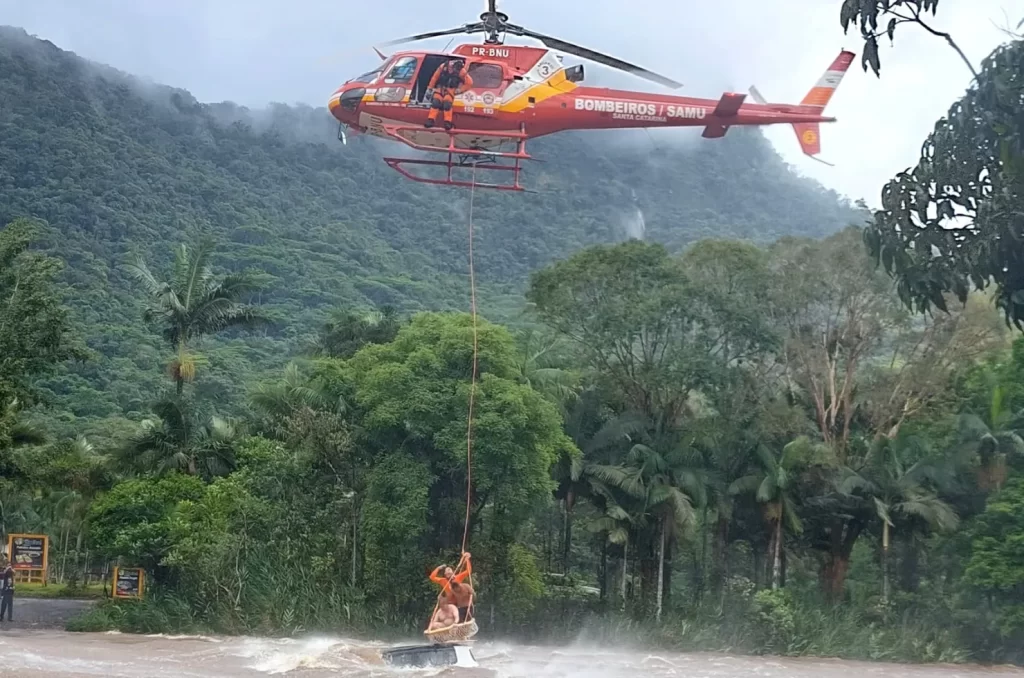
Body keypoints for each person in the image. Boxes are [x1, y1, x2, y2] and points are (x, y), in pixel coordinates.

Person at [424, 58, 474, 131]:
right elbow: (434, 77)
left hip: (450, 90)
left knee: (447, 104)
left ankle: (447, 122)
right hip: (440, 88)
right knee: (436, 102)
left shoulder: (461, 71)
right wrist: (430, 88)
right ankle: (430, 120)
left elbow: (469, 83)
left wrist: (460, 90)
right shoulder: (442, 67)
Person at [427, 552, 474, 628]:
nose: (448, 570)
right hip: (449, 603)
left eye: (450, 570)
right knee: (445, 617)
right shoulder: (443, 580)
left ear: (453, 572)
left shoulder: (457, 577)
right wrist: (438, 568)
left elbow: (468, 571)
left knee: (461, 618)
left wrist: (467, 559)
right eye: (446, 571)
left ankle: (460, 631)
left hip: (459, 603)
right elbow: (432, 577)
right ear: (445, 574)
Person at [0, 557, 14, 622]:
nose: (9, 567)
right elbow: (3, 573)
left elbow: (14, 572)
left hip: (10, 590)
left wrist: (11, 568)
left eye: (10, 565)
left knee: (10, 604)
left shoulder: (11, 572)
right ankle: (1, 616)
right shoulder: (5, 572)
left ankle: (10, 617)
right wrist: (7, 567)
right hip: (5, 590)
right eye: (8, 565)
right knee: (4, 604)